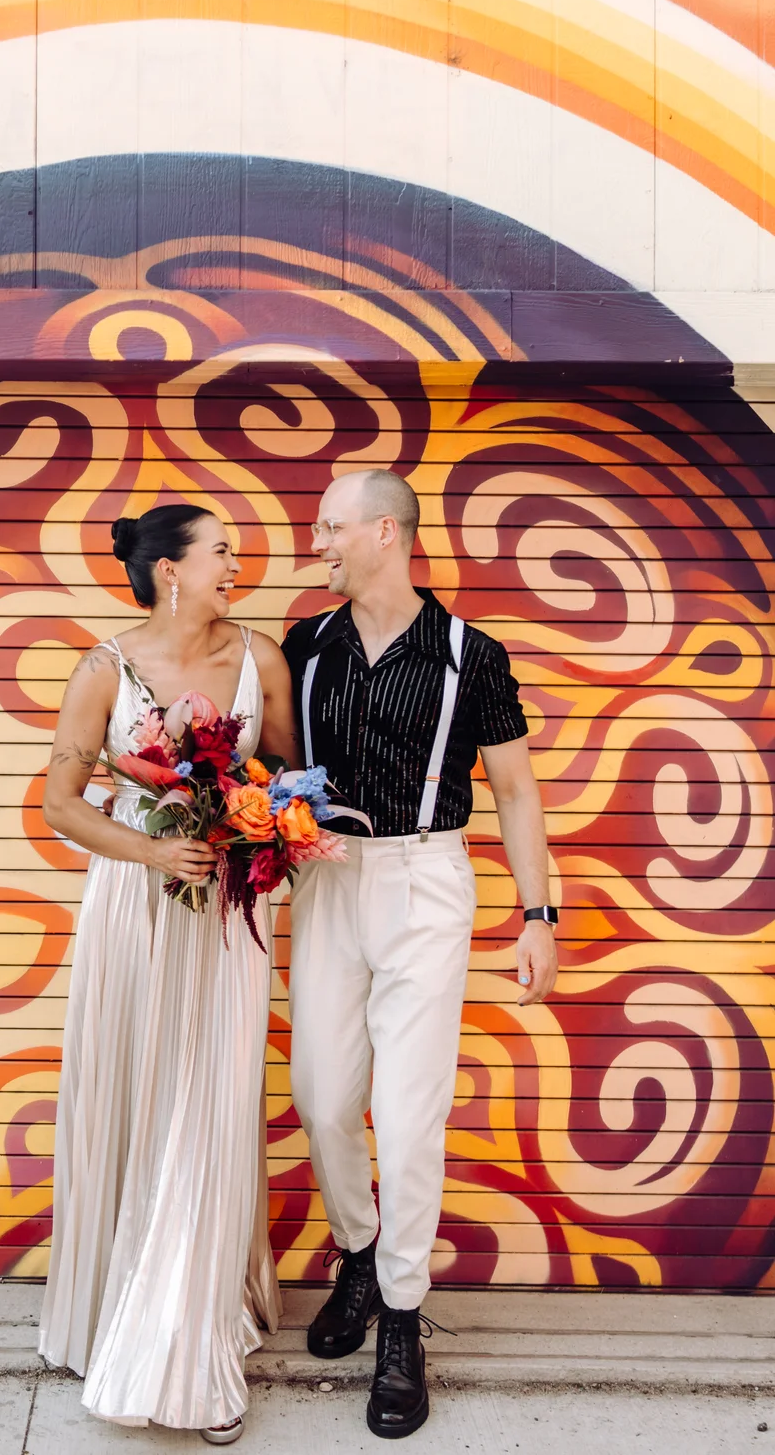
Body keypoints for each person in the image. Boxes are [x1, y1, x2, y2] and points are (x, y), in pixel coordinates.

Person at [282, 469, 559, 1440]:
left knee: (406, 1120)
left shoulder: (468, 655)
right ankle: (359, 1247)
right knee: (321, 1097)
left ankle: (400, 1317)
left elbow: (517, 793)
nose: (317, 539)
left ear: (386, 533)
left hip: (424, 884)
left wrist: (539, 913)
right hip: (326, 878)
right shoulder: (304, 643)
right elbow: (275, 765)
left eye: (331, 524)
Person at [38, 503, 297, 1445]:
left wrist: (241, 817)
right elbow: (62, 802)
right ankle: (125, 1312)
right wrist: (154, 851)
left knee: (212, 1104)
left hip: (227, 911)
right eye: (222, 549)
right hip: (137, 911)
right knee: (143, 1093)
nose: (238, 562)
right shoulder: (101, 671)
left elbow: (287, 779)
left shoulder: (260, 658)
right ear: (170, 569)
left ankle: (197, 1329)